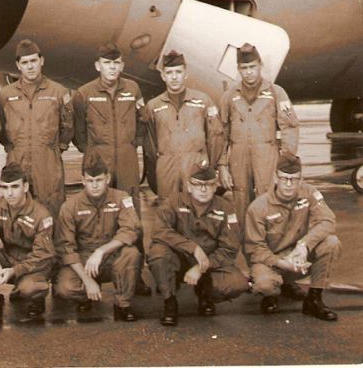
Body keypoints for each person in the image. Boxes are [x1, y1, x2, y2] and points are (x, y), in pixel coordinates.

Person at [72, 43, 151, 296]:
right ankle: (91, 272)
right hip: (98, 160)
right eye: (107, 63)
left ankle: (135, 274)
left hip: (127, 160)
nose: (112, 67)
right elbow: (78, 132)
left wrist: (131, 144)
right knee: (95, 216)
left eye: (116, 63)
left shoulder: (133, 89)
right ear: (98, 66)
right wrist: (94, 151)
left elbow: (142, 122)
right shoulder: (84, 93)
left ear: (122, 65)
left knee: (131, 215)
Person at [148, 163, 248, 326]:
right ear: (189, 186)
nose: (203, 189)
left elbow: (229, 249)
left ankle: (205, 293)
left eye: (208, 184)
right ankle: (169, 300)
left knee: (237, 283)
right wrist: (193, 248)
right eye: (198, 184)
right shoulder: (173, 202)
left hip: (209, 263)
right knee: (158, 254)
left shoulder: (226, 208)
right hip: (179, 259)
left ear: (215, 187)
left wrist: (201, 267)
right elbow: (159, 231)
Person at [245, 152, 340, 321]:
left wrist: (304, 245)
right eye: (284, 179)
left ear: (301, 179)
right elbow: (254, 249)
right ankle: (272, 294)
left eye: (294, 179)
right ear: (276, 178)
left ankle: (314, 299)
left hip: (299, 257)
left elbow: (328, 220)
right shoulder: (258, 207)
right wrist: (281, 263)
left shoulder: (310, 193)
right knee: (264, 284)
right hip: (273, 262)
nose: (289, 184)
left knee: (331, 242)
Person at [53, 152, 142, 321]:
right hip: (84, 258)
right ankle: (86, 296)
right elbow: (65, 248)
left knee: (131, 253)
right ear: (83, 181)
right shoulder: (70, 206)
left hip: (111, 255)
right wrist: (87, 280)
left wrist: (101, 251)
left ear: (107, 179)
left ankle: (122, 303)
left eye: (99, 180)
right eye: (90, 181)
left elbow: (131, 229)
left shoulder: (121, 198)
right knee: (65, 287)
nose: (94, 185)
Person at [217, 43, 300, 224]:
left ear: (260, 65)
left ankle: (269, 240)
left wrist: (285, 163)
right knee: (241, 203)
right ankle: (247, 240)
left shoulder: (276, 93)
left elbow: (290, 127)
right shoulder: (229, 97)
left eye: (252, 67)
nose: (249, 72)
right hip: (238, 159)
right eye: (244, 68)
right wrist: (222, 165)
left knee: (268, 201)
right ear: (238, 69)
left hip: (267, 157)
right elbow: (221, 134)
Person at [0, 162, 56, 325]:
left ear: (25, 187)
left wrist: (14, 271)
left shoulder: (41, 214)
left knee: (29, 288)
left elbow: (43, 255)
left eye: (15, 187)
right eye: (5, 188)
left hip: (33, 265)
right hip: (9, 258)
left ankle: (36, 302)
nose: (9, 193)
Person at [0, 39, 72, 219]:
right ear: (18, 65)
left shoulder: (58, 92)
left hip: (48, 162)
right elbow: (0, 127)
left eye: (33, 61)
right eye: (25, 63)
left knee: (51, 207)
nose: (30, 66)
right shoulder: (6, 95)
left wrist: (55, 148)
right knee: (19, 209)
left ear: (41, 61)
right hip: (17, 159)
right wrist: (12, 148)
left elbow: (68, 126)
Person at [143, 50, 225, 201]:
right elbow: (150, 144)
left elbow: (215, 136)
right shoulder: (153, 106)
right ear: (163, 76)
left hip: (195, 165)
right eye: (169, 73)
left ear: (185, 74)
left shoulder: (203, 101)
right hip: (167, 167)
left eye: (178, 72)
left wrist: (208, 164)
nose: (174, 77)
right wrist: (162, 163)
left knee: (196, 207)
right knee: (167, 208)